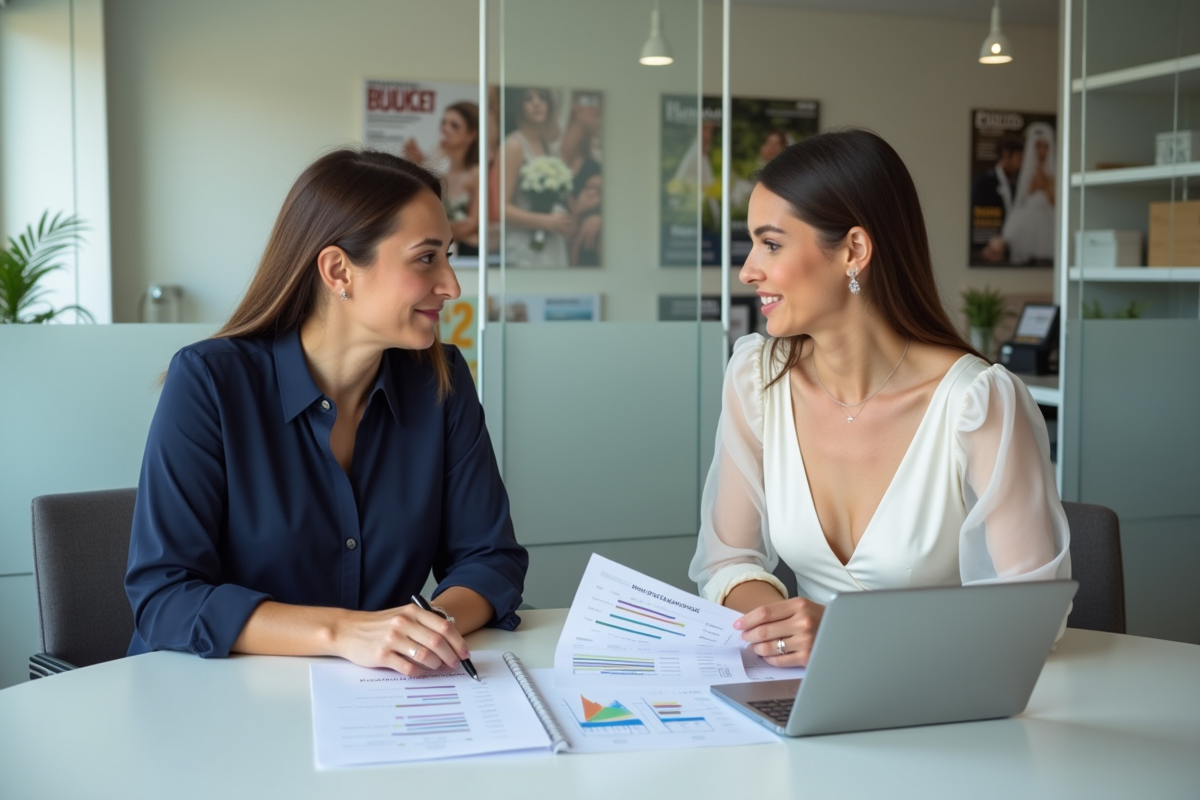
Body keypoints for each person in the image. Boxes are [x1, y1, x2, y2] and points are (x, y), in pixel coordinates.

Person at [125, 149, 528, 676]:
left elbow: (490, 559)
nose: (451, 285)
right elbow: (165, 596)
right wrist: (343, 633)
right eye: (427, 258)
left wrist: (422, 630)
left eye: (449, 256)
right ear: (339, 270)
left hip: (381, 700)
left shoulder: (440, 380)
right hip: (213, 705)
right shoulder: (210, 381)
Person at [689, 129, 1069, 667]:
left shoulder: (977, 404)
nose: (748, 270)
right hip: (802, 693)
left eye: (771, 244)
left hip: (941, 702)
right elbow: (728, 560)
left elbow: (1035, 617)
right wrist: (785, 626)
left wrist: (848, 633)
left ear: (854, 250)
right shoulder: (757, 379)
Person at [503, 87, 573, 267]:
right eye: (529, 99)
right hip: (524, 245)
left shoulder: (551, 149)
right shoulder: (513, 146)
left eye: (542, 97)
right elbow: (501, 208)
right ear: (519, 106)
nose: (537, 103)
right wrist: (546, 221)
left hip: (552, 242)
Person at [405, 102, 482, 258]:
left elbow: (474, 224)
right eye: (444, 122)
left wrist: (428, 232)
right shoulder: (442, 174)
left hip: (471, 254)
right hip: (444, 252)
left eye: (454, 126)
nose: (445, 128)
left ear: (471, 135)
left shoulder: (477, 173)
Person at [1001, 122, 1056, 266]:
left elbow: (1053, 199)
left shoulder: (1052, 175)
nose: (1042, 151)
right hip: (1031, 217)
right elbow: (1026, 195)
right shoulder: (1029, 173)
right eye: (1039, 146)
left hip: (1048, 218)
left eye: (1045, 146)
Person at [971, 133, 1024, 264]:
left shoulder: (1019, 184)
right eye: (1018, 159)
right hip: (991, 251)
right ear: (1006, 155)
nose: (1021, 165)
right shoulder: (985, 182)